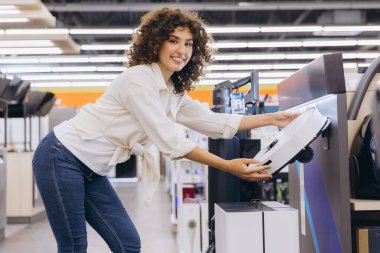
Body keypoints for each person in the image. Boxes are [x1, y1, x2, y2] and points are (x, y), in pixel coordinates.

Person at [32, 7, 298, 253]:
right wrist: (229, 166)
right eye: (173, 40)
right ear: (156, 42)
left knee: (127, 242)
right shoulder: (138, 79)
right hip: (62, 156)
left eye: (188, 44)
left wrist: (273, 118)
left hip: (92, 169)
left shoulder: (172, 92)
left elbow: (215, 122)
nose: (181, 50)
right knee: (74, 245)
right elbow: (170, 142)